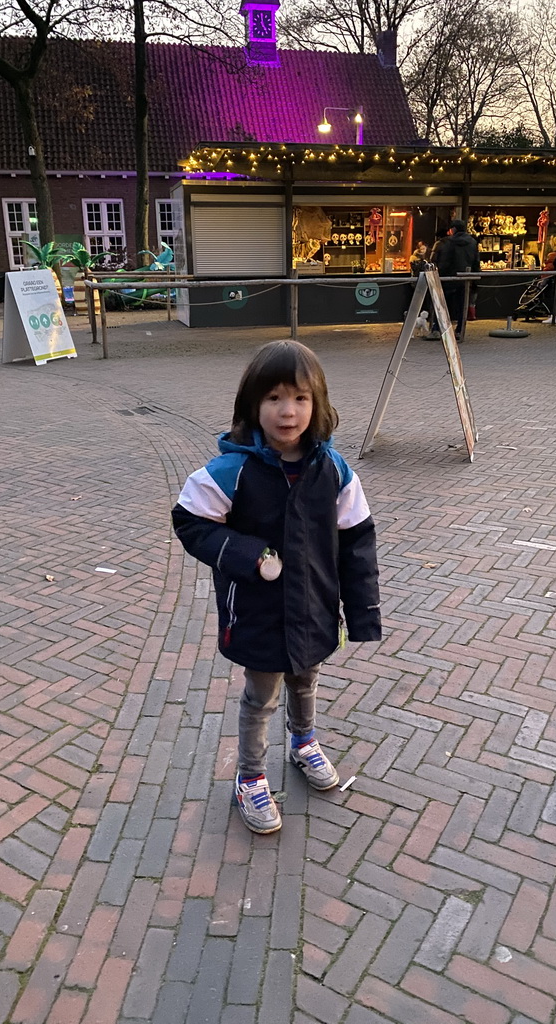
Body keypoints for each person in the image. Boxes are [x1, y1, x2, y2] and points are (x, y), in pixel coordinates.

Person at [171, 340, 381, 834]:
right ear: (253, 405)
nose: (288, 412)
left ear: (318, 404)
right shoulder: (231, 471)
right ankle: (250, 777)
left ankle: (304, 741)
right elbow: (190, 521)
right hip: (259, 614)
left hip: (313, 609)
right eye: (274, 399)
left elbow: (357, 543)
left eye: (301, 398)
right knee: (260, 697)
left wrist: (362, 611)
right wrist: (251, 556)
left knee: (306, 678)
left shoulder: (334, 471)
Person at [435, 218, 479, 335]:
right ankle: (460, 329)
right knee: (462, 305)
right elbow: (476, 262)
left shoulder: (448, 243)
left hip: (449, 277)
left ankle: (439, 329)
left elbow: (444, 261)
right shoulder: (472, 242)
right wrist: (475, 278)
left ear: (453, 229)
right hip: (466, 278)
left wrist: (440, 274)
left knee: (444, 305)